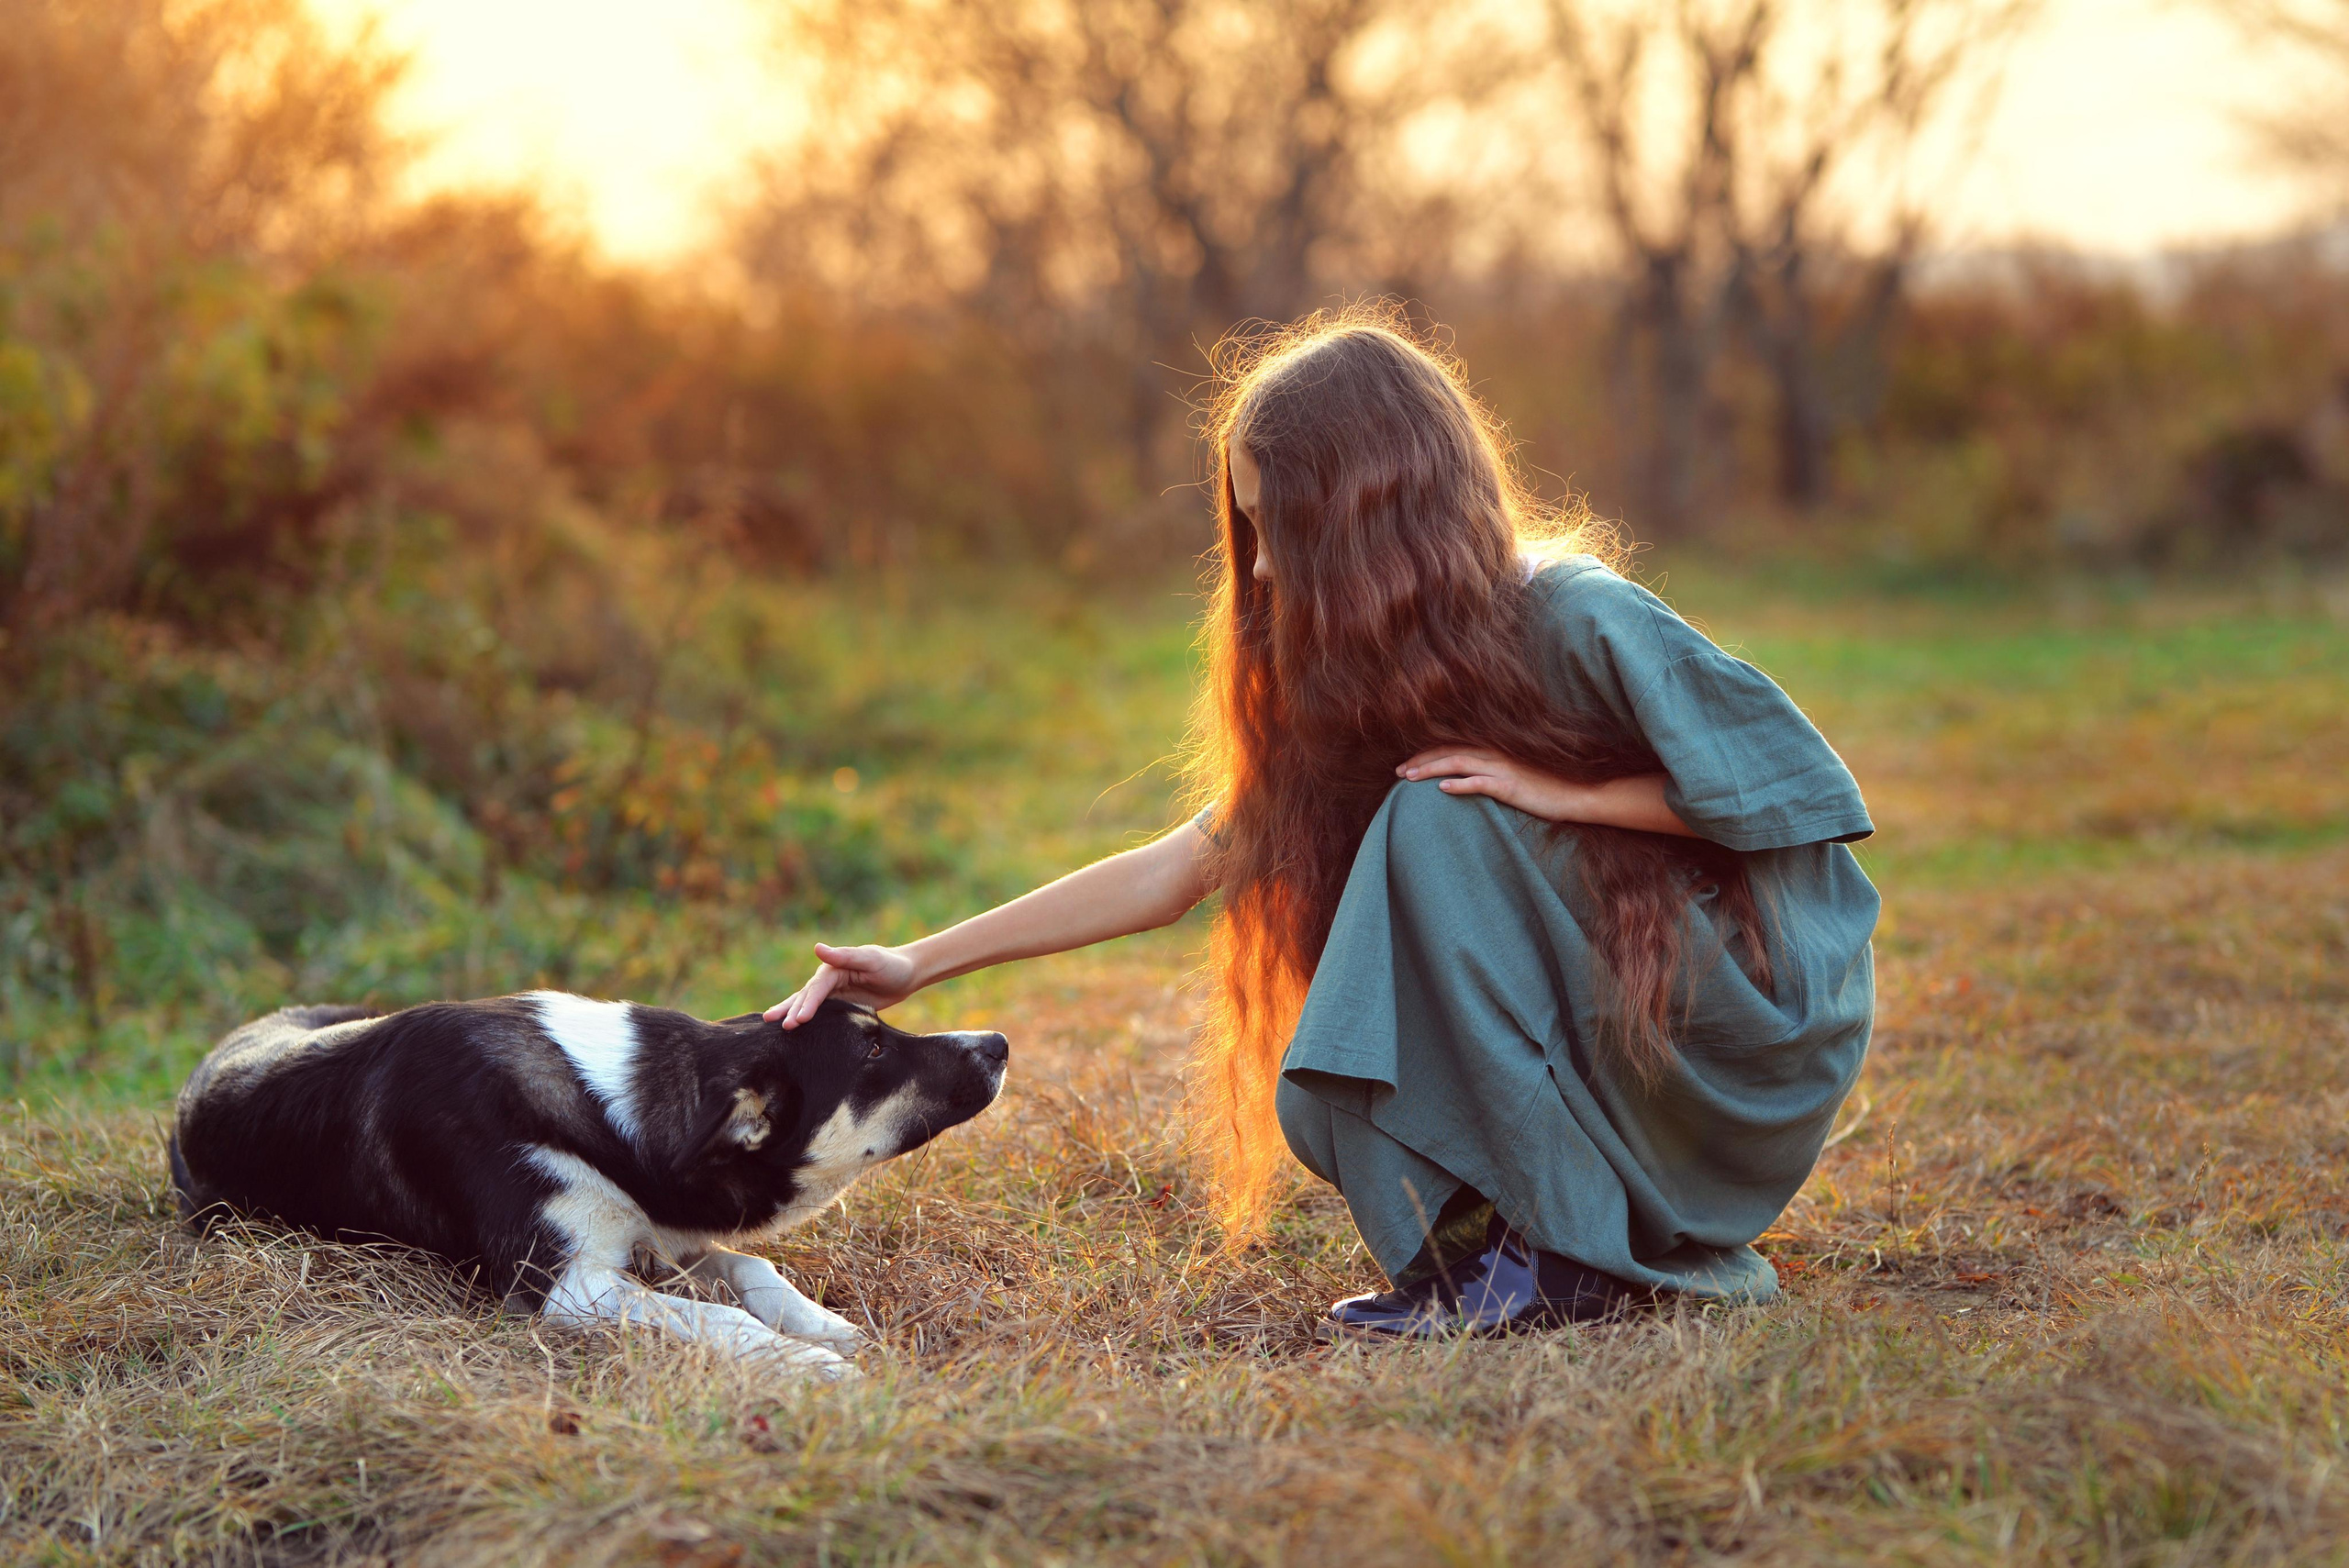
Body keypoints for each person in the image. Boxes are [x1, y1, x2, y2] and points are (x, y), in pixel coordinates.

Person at [765, 313, 1878, 1338]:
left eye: (1280, 529)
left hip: (1741, 1014)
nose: (1256, 565)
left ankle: (1557, 1255)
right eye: (1246, 528)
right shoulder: (1359, 671)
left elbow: (1795, 794)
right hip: (1620, 997)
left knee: (1437, 818)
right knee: (1428, 820)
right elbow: (1186, 864)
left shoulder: (1574, 609)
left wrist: (1566, 794)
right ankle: (1517, 1251)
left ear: (1374, 509)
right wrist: (918, 961)